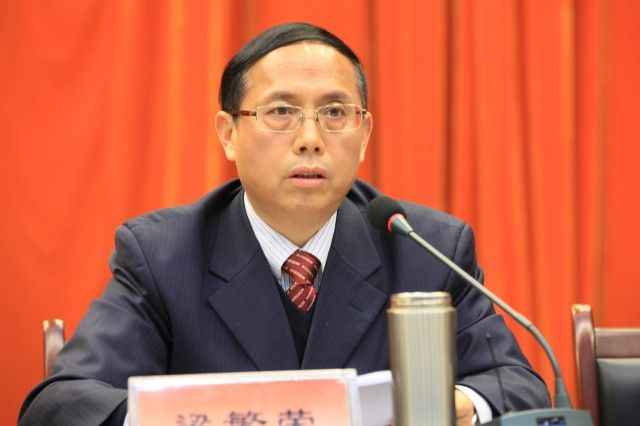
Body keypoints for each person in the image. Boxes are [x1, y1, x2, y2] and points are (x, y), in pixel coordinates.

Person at [19, 22, 550, 425]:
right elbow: (62, 404)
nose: (310, 138)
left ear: (364, 134)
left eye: (335, 113)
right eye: (281, 112)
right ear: (228, 134)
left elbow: (519, 387)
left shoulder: (425, 248)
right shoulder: (163, 255)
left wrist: (449, 405)